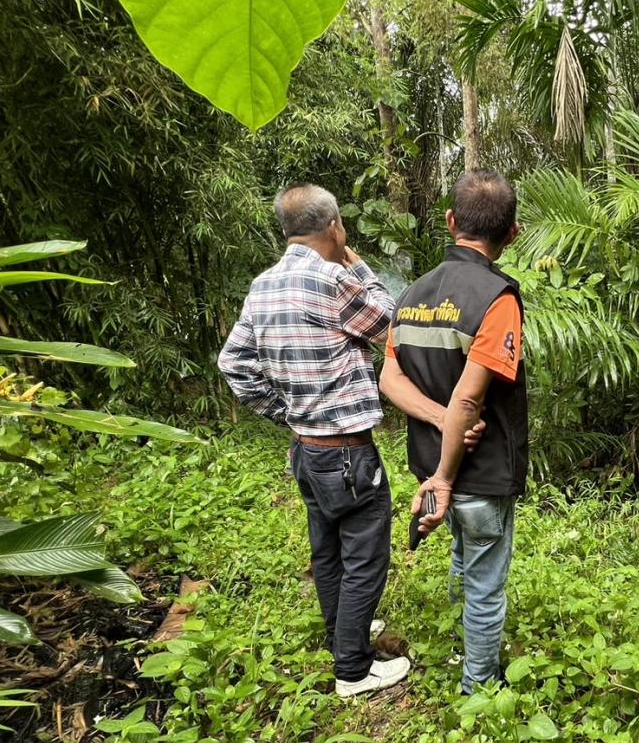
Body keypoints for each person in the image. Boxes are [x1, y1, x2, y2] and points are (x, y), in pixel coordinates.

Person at [218, 183, 409, 698]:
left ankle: (341, 635)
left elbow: (233, 362)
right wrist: (359, 266)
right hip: (346, 449)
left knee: (328, 551)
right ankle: (352, 669)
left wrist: (285, 413)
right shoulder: (332, 280)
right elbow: (391, 323)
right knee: (366, 553)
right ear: (334, 226)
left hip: (305, 449)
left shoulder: (263, 285)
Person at [380, 169, 526, 694]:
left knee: (463, 552)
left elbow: (389, 377)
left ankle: (457, 636)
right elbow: (468, 397)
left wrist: (438, 432)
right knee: (486, 582)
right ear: (512, 233)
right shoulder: (497, 298)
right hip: (477, 472)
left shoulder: (412, 294)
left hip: (430, 465)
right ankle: (477, 687)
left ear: (450, 222)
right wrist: (447, 465)